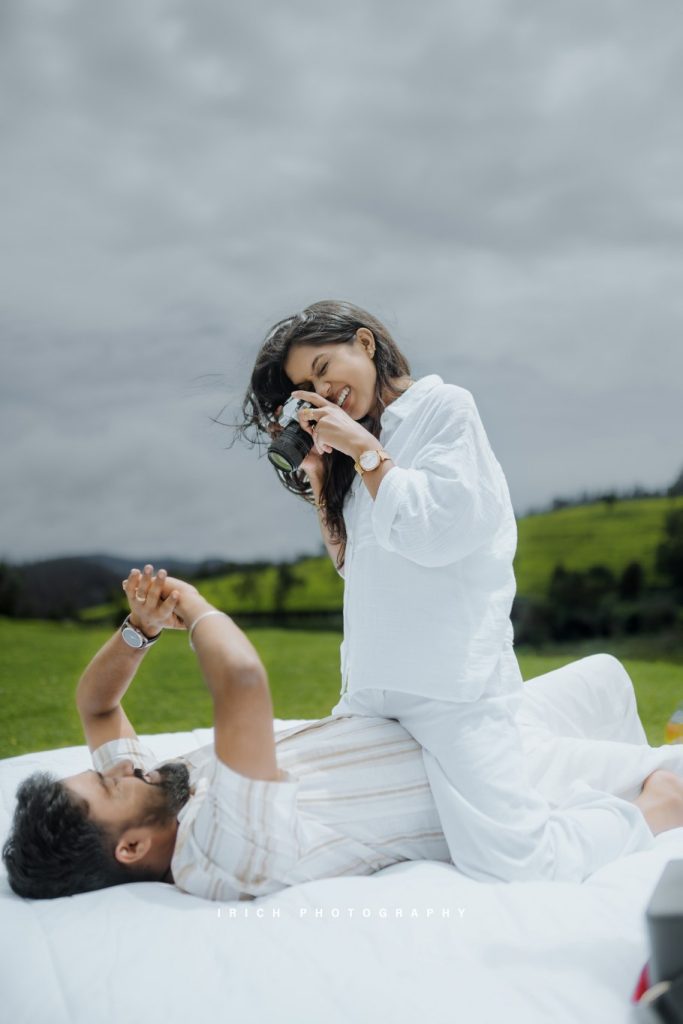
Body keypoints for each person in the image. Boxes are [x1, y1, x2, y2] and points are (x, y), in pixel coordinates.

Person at [239, 298, 683, 883]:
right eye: (305, 387)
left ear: (365, 345)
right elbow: (359, 567)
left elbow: (438, 534)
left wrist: (361, 449)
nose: (322, 390)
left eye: (325, 369)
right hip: (373, 691)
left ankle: (661, 801)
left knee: (510, 865)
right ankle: (588, 759)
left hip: (452, 690)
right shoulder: (358, 448)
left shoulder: (442, 408)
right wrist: (324, 483)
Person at [4, 565, 683, 902]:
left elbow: (96, 706)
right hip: (488, 773)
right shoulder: (218, 853)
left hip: (449, 719)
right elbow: (241, 681)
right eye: (105, 783)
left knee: (604, 676)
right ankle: (647, 800)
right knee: (670, 785)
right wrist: (194, 606)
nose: (118, 767)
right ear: (129, 848)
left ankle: (635, 778)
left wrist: (141, 629)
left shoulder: (164, 793)